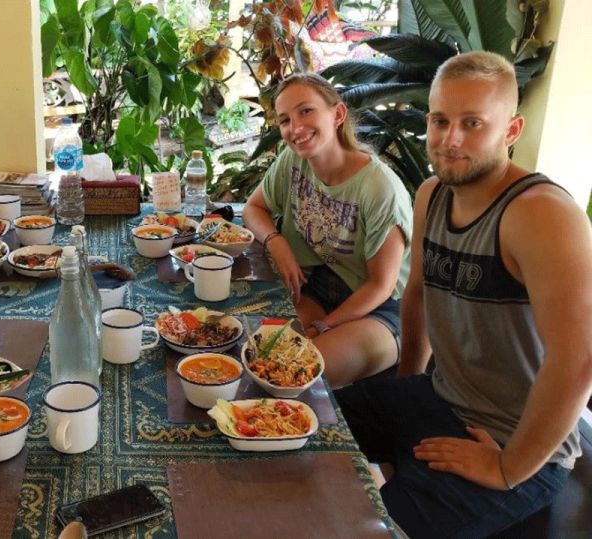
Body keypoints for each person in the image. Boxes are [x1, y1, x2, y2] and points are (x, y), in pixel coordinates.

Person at [335, 51, 592, 538]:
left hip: (516, 446)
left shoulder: (540, 214)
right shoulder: (433, 193)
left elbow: (579, 358)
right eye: (440, 120)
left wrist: (508, 468)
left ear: (511, 131)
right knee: (298, 425)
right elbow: (417, 297)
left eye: (473, 123)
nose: (450, 140)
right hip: (439, 398)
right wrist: (404, 390)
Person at [242, 72, 412, 388]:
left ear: (338, 114)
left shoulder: (379, 188)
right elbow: (254, 208)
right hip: (321, 288)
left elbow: (380, 286)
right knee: (255, 352)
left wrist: (324, 325)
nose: (296, 128)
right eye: (285, 120)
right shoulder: (292, 162)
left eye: (306, 111)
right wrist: (277, 242)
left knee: (297, 374)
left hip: (382, 307)